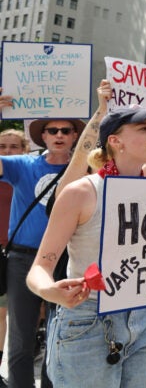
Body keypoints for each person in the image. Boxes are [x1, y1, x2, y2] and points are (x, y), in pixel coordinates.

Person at [25, 105, 146, 387]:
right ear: (115, 141)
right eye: (144, 129)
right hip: (87, 321)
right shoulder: (81, 193)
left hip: (144, 322)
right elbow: (40, 268)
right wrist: (49, 291)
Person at [0, 86, 85, 388]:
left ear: (76, 136)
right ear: (43, 136)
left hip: (67, 261)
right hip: (23, 260)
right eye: (52, 130)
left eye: (66, 129)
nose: (59, 134)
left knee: (58, 336)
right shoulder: (22, 164)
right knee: (21, 337)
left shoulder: (87, 170)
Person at [0, 129, 29, 388]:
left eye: (13, 146)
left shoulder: (26, 174)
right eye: (3, 146)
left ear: (24, 149)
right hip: (1, 251)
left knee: (12, 314)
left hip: (19, 250)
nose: (8, 151)